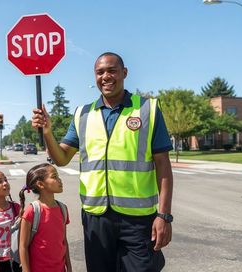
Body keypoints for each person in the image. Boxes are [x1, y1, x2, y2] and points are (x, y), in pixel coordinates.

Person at [31, 52, 173, 272]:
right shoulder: (83, 114)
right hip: (96, 218)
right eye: (100, 72)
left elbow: (163, 166)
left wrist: (164, 215)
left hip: (138, 220)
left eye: (112, 70)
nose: (106, 76)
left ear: (124, 73)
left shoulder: (147, 110)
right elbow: (61, 158)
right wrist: (48, 133)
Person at [18, 163, 71, 272]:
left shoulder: (63, 208)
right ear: (41, 184)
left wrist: (69, 267)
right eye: (54, 177)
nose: (59, 180)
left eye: (58, 176)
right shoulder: (32, 211)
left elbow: (64, 241)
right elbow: (23, 246)